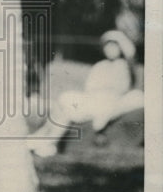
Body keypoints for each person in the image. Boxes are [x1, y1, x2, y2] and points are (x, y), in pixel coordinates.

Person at [28, 29, 144, 157]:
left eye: (114, 46)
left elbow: (122, 88)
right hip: (92, 98)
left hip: (107, 102)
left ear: (121, 48)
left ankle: (50, 142)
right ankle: (43, 139)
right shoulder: (100, 65)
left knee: (68, 111)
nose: (110, 49)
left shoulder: (123, 66)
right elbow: (89, 87)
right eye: (107, 46)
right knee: (64, 104)